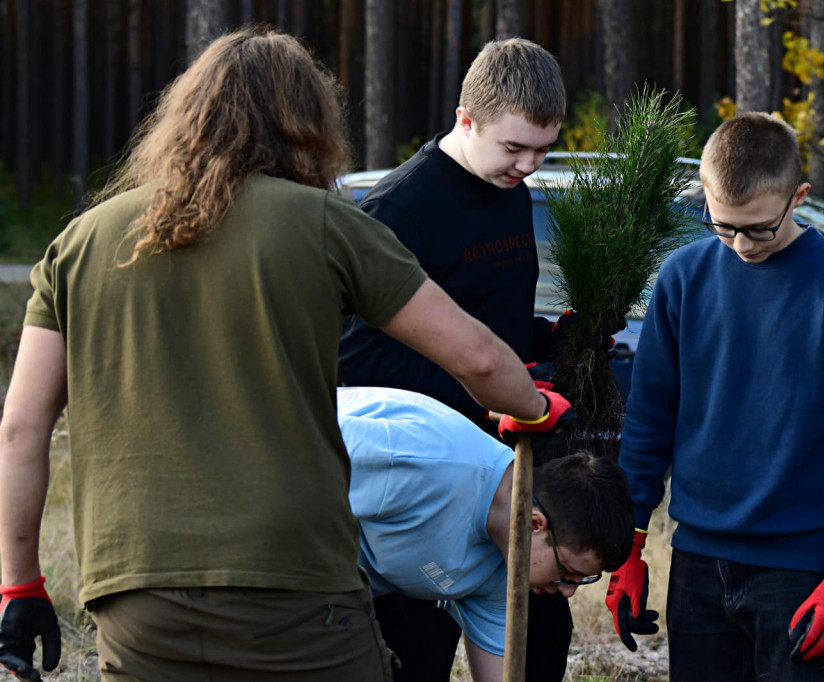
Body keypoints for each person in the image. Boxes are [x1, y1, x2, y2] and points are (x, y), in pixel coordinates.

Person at [0, 29, 571, 682]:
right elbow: (479, 359)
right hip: (293, 585)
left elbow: (19, 428)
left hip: (133, 592)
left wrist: (19, 587)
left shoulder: (80, 241)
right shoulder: (328, 224)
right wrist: (533, 409)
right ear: (311, 123)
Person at [604, 112, 824, 681]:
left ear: (799, 197)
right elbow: (649, 422)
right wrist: (630, 544)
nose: (741, 245)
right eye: (723, 227)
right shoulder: (682, 278)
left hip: (804, 571)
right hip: (696, 566)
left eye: (759, 229)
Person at [338, 38, 577, 680]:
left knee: (542, 634)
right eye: (514, 147)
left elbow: (482, 318)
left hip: (504, 472)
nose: (528, 165)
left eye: (542, 150)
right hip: (421, 488)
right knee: (414, 654)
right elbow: (362, 363)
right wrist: (484, 385)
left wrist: (546, 340)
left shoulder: (509, 189)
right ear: (464, 119)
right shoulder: (400, 209)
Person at [337, 386, 633, 682]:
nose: (568, 590)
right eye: (568, 572)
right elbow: (300, 446)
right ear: (534, 524)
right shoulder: (423, 461)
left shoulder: (506, 572)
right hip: (303, 567)